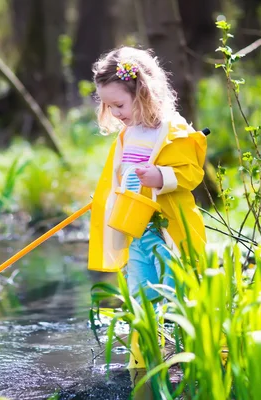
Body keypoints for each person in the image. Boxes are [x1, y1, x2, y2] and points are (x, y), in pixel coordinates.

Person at [87, 46, 207, 369]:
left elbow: (192, 173)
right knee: (141, 297)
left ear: (142, 92)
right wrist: (107, 197)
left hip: (167, 231)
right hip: (137, 233)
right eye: (109, 106)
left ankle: (188, 355)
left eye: (119, 104)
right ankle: (145, 361)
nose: (115, 113)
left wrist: (161, 176)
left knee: (176, 292)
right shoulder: (127, 135)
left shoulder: (171, 129)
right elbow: (120, 178)